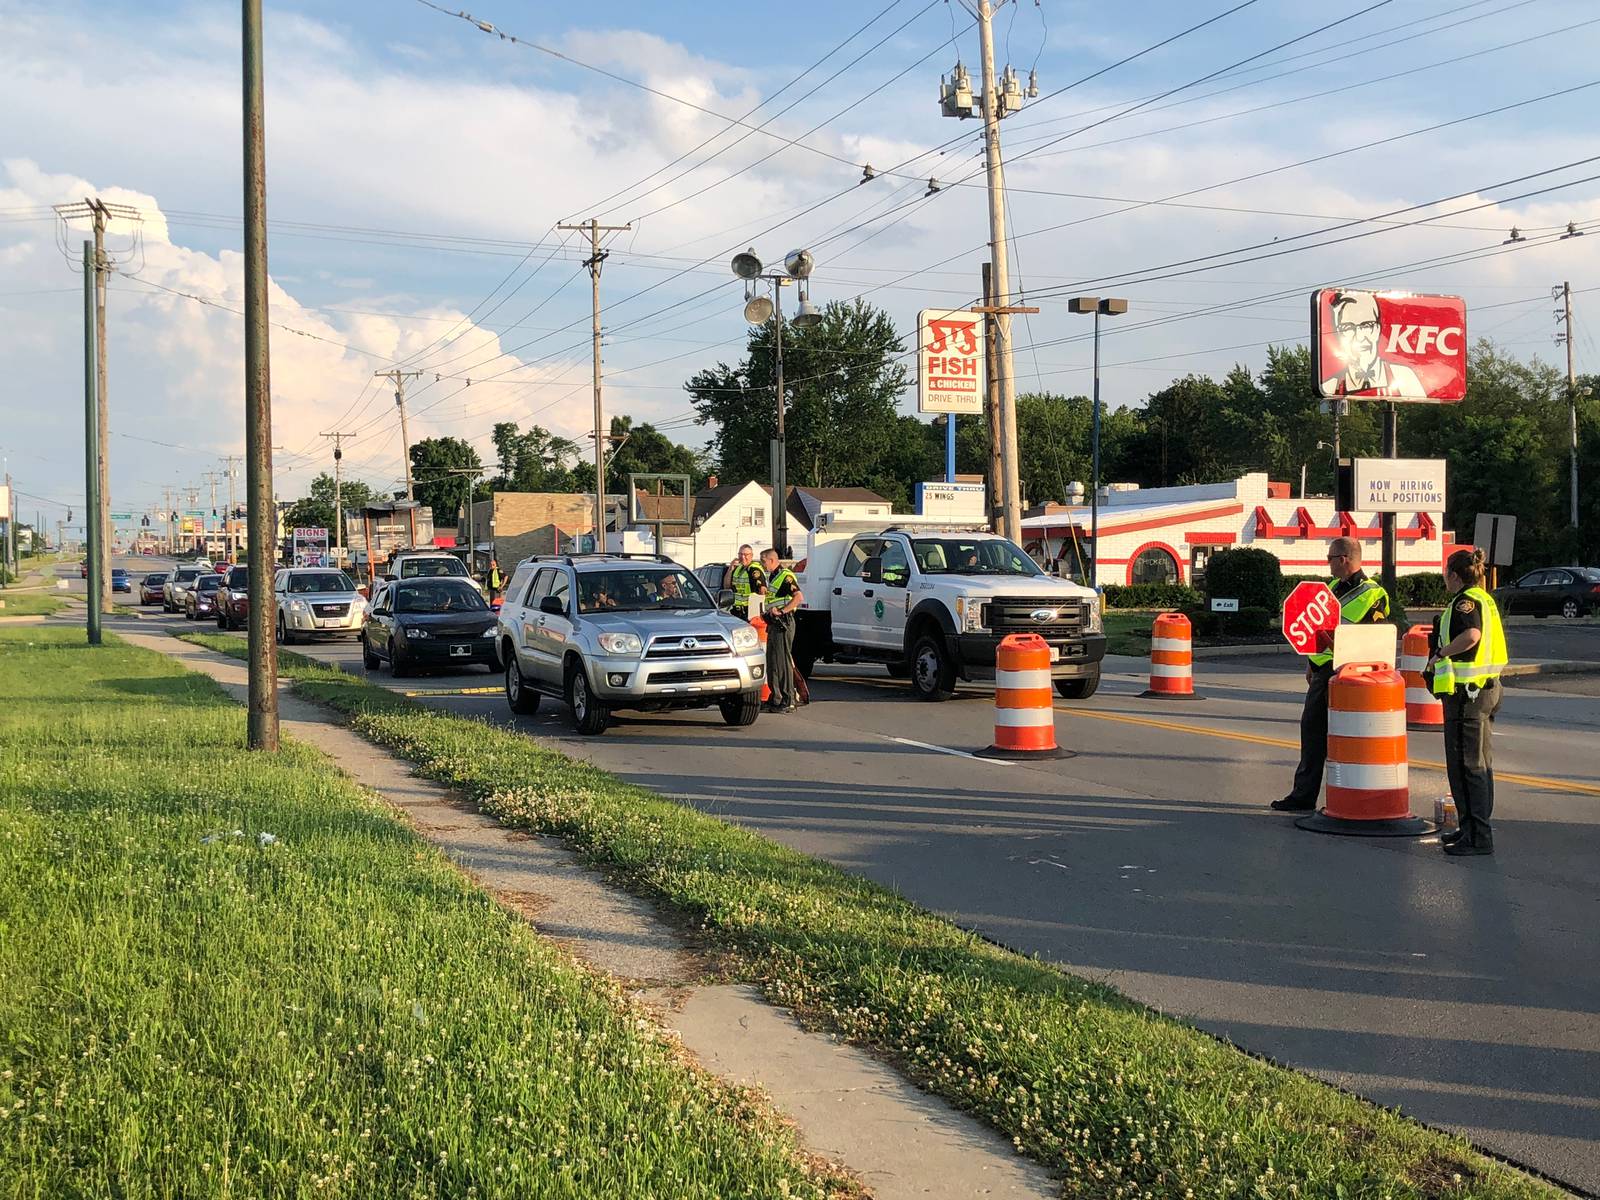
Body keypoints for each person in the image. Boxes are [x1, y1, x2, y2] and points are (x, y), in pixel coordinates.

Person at [1272, 536, 1392, 812]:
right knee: (1312, 732)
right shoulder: (1333, 588)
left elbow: (1369, 640)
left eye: (1330, 558)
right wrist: (1311, 664)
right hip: (1324, 670)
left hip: (1351, 672)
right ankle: (1303, 795)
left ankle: (1350, 799)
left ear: (1344, 559)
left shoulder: (1373, 594)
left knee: (1347, 738)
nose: (1327, 563)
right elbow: (1318, 630)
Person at [1426, 548, 1508, 856]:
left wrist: (1440, 655)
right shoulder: (1485, 598)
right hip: (1485, 690)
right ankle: (1471, 829)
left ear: (1455, 575)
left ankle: (1476, 836)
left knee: (1466, 766)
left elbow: (1471, 635)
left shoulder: (1465, 602)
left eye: (1446, 573)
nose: (1445, 579)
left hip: (1468, 695)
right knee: (1480, 764)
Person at [1319, 290, 1427, 398]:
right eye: (1348, 327)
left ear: (1377, 329)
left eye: (1366, 325)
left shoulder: (1404, 378)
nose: (1360, 337)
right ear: (1339, 334)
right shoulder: (1330, 387)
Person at [760, 548, 803, 713]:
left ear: (771, 560)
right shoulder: (772, 576)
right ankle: (775, 698)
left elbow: (798, 597)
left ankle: (787, 699)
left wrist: (782, 611)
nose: (762, 565)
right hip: (774, 623)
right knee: (772, 661)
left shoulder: (785, 576)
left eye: (763, 561)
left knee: (782, 662)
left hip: (783, 622)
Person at [724, 544, 765, 616]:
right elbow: (727, 587)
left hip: (750, 611)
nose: (743, 557)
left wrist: (759, 611)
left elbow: (762, 591)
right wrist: (730, 569)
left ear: (751, 556)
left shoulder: (754, 569)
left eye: (746, 554)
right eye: (740, 554)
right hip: (736, 610)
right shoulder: (737, 568)